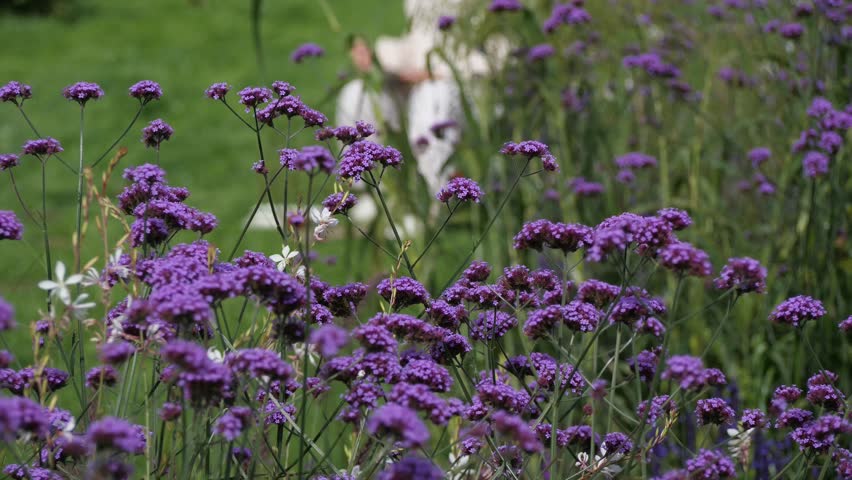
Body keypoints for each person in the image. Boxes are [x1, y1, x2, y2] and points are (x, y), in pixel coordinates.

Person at [336, 0, 505, 195]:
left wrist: (436, 72)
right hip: (417, 77)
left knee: (433, 98)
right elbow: (421, 39)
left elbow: (501, 53)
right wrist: (380, 62)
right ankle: (373, 194)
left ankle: (440, 200)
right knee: (357, 94)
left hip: (471, 87)